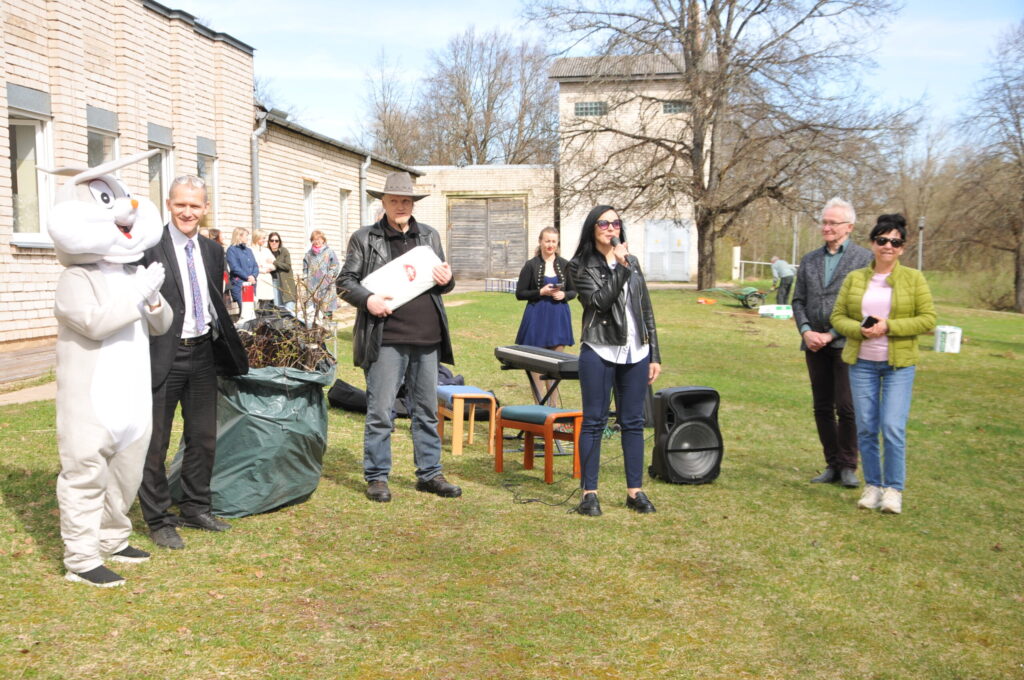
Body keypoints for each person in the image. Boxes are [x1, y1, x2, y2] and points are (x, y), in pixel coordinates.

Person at [138, 175, 248, 550]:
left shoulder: (213, 251)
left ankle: (195, 507)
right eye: (181, 204)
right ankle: (158, 519)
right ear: (169, 204)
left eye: (195, 205)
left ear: (205, 208)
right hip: (161, 355)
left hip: (202, 353)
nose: (187, 212)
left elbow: (215, 300)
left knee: (203, 437)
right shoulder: (149, 247)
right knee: (155, 442)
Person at [338, 171, 459, 503]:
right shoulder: (364, 238)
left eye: (406, 200)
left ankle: (430, 474)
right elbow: (345, 282)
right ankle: (377, 477)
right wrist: (368, 300)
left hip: (428, 338)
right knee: (381, 411)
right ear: (384, 203)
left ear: (413, 203)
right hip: (386, 337)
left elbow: (442, 282)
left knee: (427, 411)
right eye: (394, 200)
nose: (401, 206)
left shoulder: (429, 235)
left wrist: (447, 279)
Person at [831, 214, 935, 514]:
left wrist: (889, 326)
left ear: (902, 248)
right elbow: (838, 317)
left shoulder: (914, 279)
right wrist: (858, 330)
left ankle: (893, 490)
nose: (888, 246)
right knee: (866, 427)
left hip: (898, 366)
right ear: (872, 243)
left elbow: (928, 319)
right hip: (862, 363)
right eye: (882, 240)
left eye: (895, 242)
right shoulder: (855, 278)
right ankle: (873, 486)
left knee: (891, 427)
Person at [567, 205, 661, 517]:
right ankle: (589, 494)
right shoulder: (580, 266)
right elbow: (598, 303)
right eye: (604, 223)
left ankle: (635, 492)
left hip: (637, 351)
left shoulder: (632, 261)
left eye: (616, 223)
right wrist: (619, 268)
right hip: (600, 349)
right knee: (594, 421)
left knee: (633, 422)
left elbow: (645, 308)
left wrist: (654, 354)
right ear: (592, 228)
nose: (611, 228)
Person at [792, 197, 872, 489]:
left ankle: (849, 465)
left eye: (833, 223)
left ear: (849, 227)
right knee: (822, 406)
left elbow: (865, 306)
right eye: (824, 222)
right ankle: (832, 463)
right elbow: (798, 300)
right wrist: (805, 331)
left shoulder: (864, 260)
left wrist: (832, 334)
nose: (826, 227)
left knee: (847, 407)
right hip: (813, 344)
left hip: (845, 343)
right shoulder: (810, 259)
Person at [515, 227, 576, 404]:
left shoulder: (565, 265)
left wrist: (564, 295)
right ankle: (538, 407)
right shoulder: (531, 265)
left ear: (557, 243)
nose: (550, 245)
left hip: (558, 318)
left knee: (556, 366)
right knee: (536, 365)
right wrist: (540, 292)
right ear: (540, 242)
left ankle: (553, 408)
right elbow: (520, 293)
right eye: (547, 241)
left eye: (553, 241)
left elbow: (574, 291)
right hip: (537, 317)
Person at [303, 230, 340, 320]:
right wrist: (306, 281)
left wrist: (328, 279)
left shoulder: (329, 252)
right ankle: (316, 328)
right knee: (313, 315)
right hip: (312, 288)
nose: (317, 241)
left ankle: (327, 327)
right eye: (314, 239)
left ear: (323, 240)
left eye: (319, 239)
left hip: (327, 287)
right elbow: (305, 269)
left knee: (326, 313)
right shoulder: (308, 254)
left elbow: (335, 266)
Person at [225, 227, 258, 305]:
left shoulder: (249, 250)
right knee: (244, 308)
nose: (247, 238)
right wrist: (247, 277)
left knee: (250, 308)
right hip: (239, 283)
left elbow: (255, 265)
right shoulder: (232, 250)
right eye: (246, 236)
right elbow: (234, 267)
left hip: (251, 283)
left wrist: (253, 276)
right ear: (239, 236)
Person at [267, 231, 296, 313]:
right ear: (269, 242)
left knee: (289, 308)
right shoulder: (266, 252)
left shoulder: (284, 251)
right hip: (273, 282)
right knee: (278, 309)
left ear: (279, 242)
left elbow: (288, 266)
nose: (274, 242)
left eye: (276, 240)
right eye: (272, 240)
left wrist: (274, 262)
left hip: (285, 283)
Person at [252, 229, 277, 307]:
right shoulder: (251, 250)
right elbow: (251, 266)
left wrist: (265, 267)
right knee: (256, 303)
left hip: (267, 279)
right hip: (257, 278)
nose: (264, 240)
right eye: (263, 238)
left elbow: (274, 265)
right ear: (257, 238)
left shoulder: (266, 250)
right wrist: (260, 269)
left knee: (266, 305)